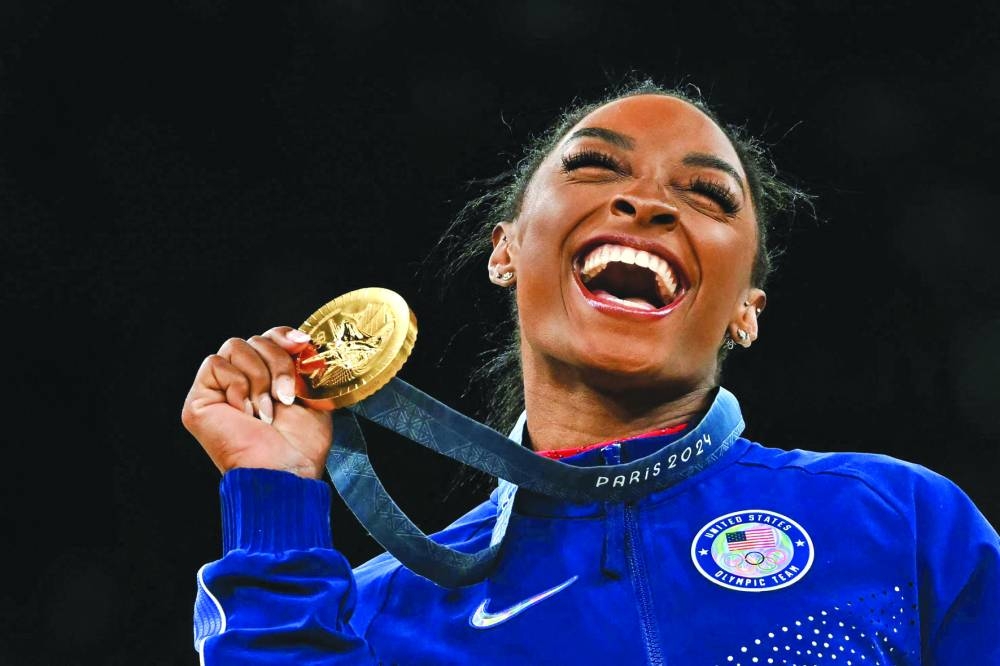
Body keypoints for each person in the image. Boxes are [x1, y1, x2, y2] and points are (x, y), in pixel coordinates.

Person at [181, 81, 1000, 665]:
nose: (646, 203)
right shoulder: (376, 613)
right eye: (595, 169)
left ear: (747, 309)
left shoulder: (899, 523)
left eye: (708, 195)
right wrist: (275, 496)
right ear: (506, 250)